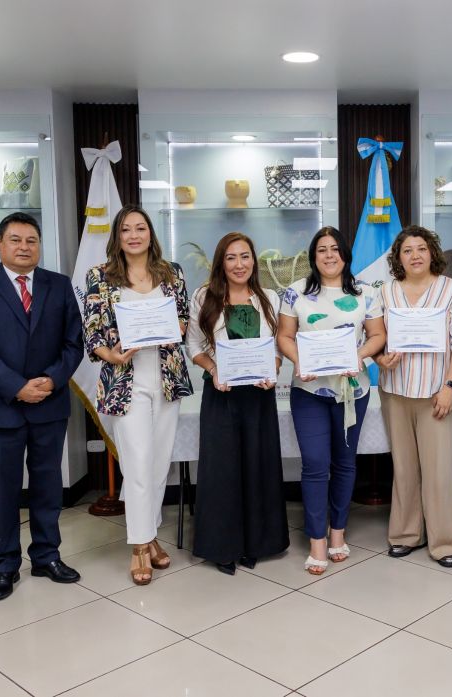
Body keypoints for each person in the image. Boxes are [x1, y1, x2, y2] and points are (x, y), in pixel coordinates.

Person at [0, 212, 84, 601]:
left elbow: (73, 343)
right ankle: (4, 565)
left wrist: (52, 380)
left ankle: (46, 556)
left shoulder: (59, 285)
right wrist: (16, 387)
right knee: (4, 491)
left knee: (48, 487)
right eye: (15, 240)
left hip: (49, 403)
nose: (24, 247)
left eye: (31, 240)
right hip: (0, 408)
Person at [84, 205, 193, 585]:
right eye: (126, 229)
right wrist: (112, 355)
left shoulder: (171, 273)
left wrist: (171, 328)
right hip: (125, 381)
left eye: (140, 228)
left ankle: (150, 536)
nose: (133, 235)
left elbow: (184, 318)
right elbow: (93, 332)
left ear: (150, 234)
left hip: (166, 379)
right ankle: (138, 547)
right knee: (137, 463)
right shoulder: (100, 276)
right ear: (117, 236)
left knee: (159, 464)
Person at [276, 227, 386, 575]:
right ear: (313, 256)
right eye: (321, 249)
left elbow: (377, 335)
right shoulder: (295, 292)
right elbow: (284, 336)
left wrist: (359, 356)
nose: (328, 255)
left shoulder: (367, 292)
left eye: (335, 249)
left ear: (345, 255)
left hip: (353, 391)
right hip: (309, 391)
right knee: (314, 463)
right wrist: (300, 360)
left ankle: (338, 531)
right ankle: (316, 541)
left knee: (344, 463)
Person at [187, 232, 289, 574]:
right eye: (231, 257)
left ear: (253, 261)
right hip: (221, 393)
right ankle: (223, 547)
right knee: (222, 469)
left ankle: (257, 544)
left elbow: (278, 348)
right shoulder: (204, 296)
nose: (239, 264)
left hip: (259, 395)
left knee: (259, 466)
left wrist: (273, 369)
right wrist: (213, 369)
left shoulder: (269, 298)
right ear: (221, 262)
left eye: (245, 256)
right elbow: (194, 346)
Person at [376, 225, 452, 568]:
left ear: (432, 253)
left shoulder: (450, 289)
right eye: (407, 250)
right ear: (398, 258)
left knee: (438, 471)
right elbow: (374, 337)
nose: (415, 255)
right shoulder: (386, 292)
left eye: (421, 249)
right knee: (404, 469)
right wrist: (379, 358)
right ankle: (405, 535)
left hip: (436, 394)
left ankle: (443, 543)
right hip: (395, 392)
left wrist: (449, 386)